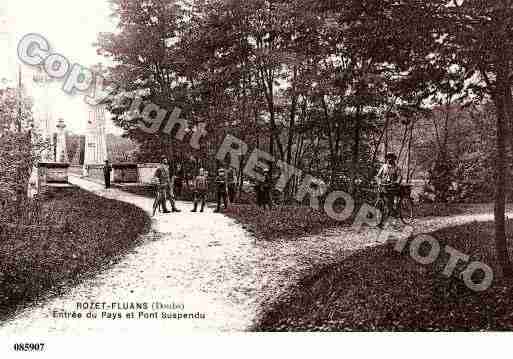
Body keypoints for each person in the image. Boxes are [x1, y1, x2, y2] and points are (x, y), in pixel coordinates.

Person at [376, 152, 401, 217]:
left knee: (390, 200)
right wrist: (379, 182)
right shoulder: (384, 166)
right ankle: (381, 212)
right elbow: (378, 176)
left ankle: (393, 211)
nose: (389, 159)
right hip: (384, 185)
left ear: (394, 159)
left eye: (391, 157)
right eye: (388, 157)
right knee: (380, 196)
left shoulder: (396, 167)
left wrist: (397, 182)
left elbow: (399, 176)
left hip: (392, 186)